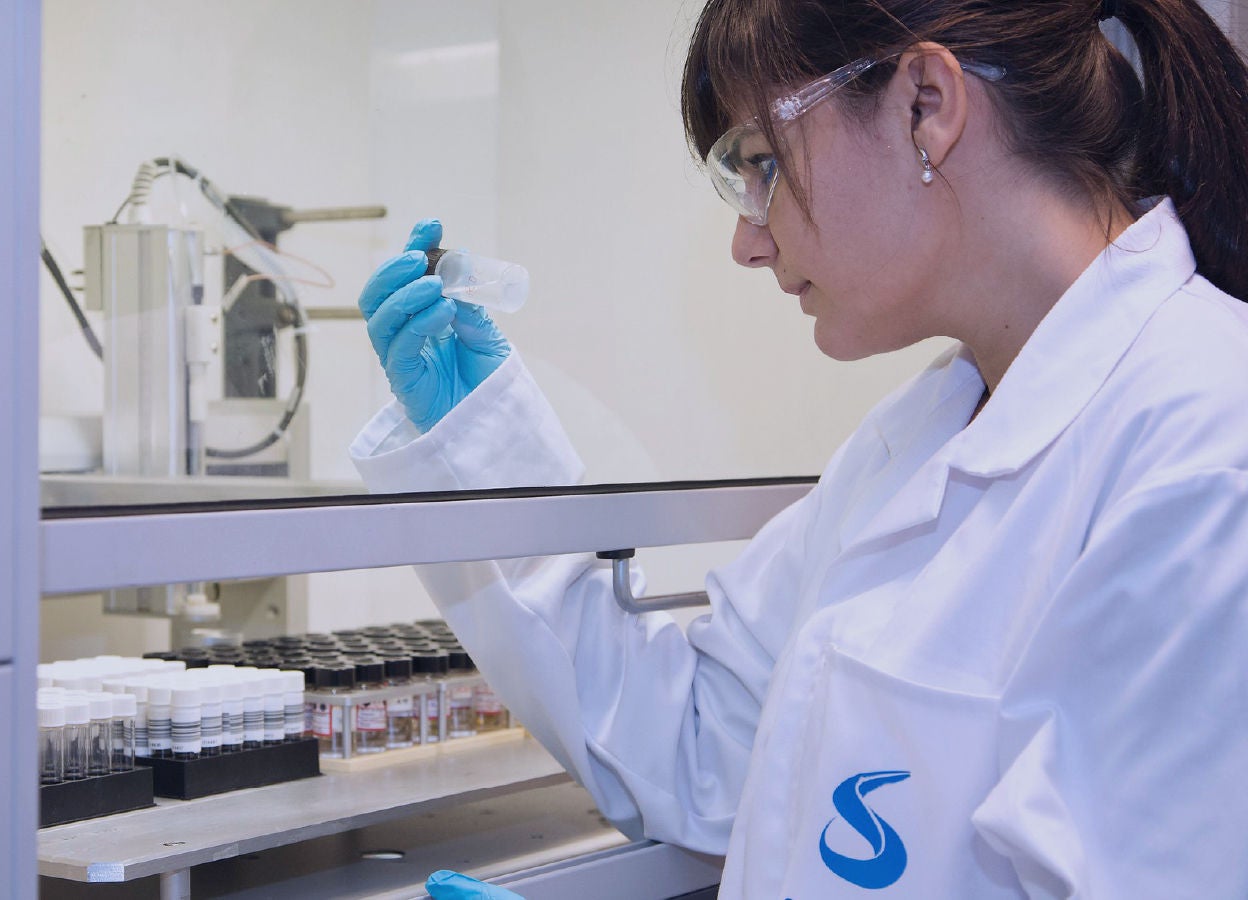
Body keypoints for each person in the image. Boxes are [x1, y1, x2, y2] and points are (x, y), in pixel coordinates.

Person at [351, 0, 1248, 896]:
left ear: (925, 105)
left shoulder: (1205, 451)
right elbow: (705, 748)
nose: (748, 239)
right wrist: (476, 445)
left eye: (761, 163)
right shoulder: (919, 439)